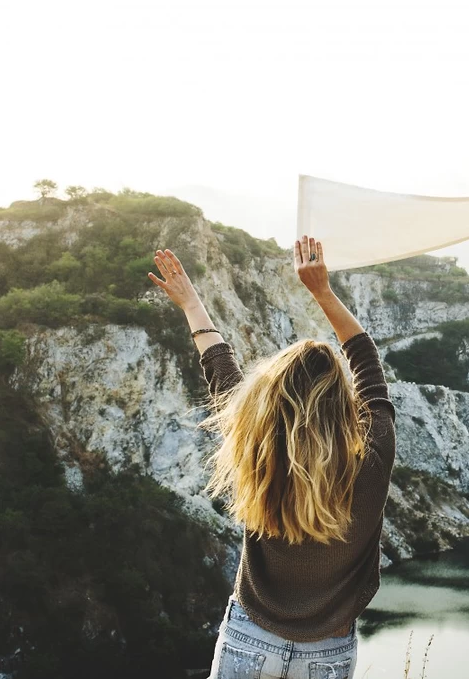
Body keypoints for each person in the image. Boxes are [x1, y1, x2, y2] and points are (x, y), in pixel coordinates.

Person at [148, 236, 395, 679]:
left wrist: (192, 305)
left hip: (250, 636)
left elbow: (221, 373)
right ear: (342, 402)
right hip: (328, 648)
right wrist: (322, 291)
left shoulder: (256, 447)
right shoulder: (373, 456)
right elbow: (367, 365)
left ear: (270, 401)